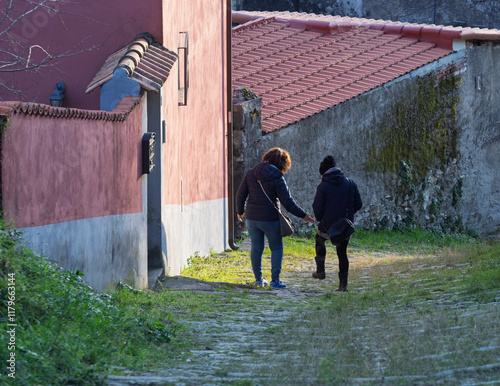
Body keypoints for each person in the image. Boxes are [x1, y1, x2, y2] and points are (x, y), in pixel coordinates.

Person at [236, 147, 315, 289]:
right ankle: (275, 281)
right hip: (270, 219)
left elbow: (240, 195)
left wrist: (240, 211)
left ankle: (259, 280)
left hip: (252, 218)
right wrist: (304, 215)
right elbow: (288, 202)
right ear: (283, 163)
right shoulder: (277, 177)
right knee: (276, 248)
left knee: (256, 248)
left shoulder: (250, 173)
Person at [312, 155, 362, 292]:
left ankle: (320, 271)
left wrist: (322, 219)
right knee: (342, 253)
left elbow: (317, 207)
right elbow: (358, 203)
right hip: (345, 225)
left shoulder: (323, 186)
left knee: (319, 240)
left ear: (323, 172)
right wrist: (347, 216)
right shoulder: (350, 183)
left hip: (327, 225)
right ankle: (343, 285)